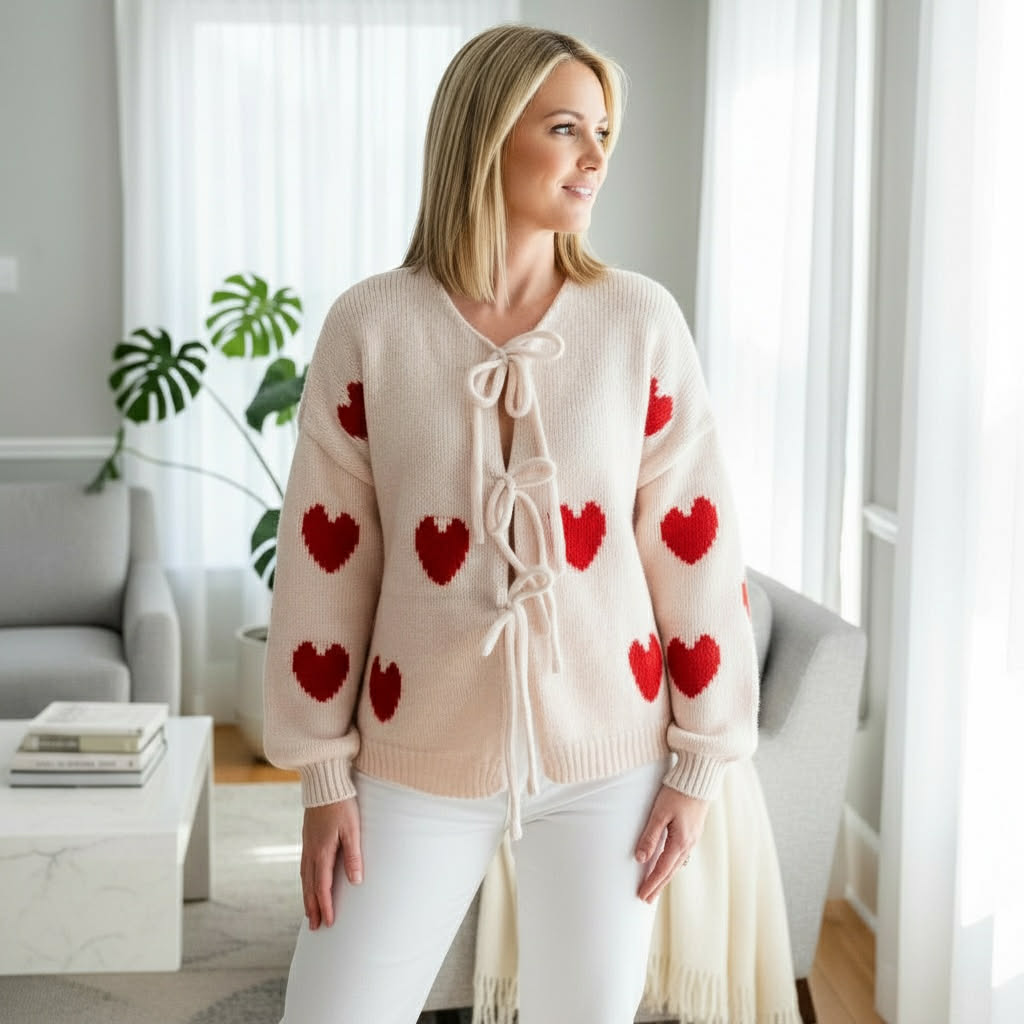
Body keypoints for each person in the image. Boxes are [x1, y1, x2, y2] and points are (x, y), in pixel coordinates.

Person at [263, 22, 760, 1024]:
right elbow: (326, 561)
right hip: (412, 753)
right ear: (487, 135)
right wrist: (323, 773)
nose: (594, 156)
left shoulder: (638, 322)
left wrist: (699, 765)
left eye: (603, 132)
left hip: (612, 760)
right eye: (565, 128)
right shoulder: (372, 325)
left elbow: (694, 550)